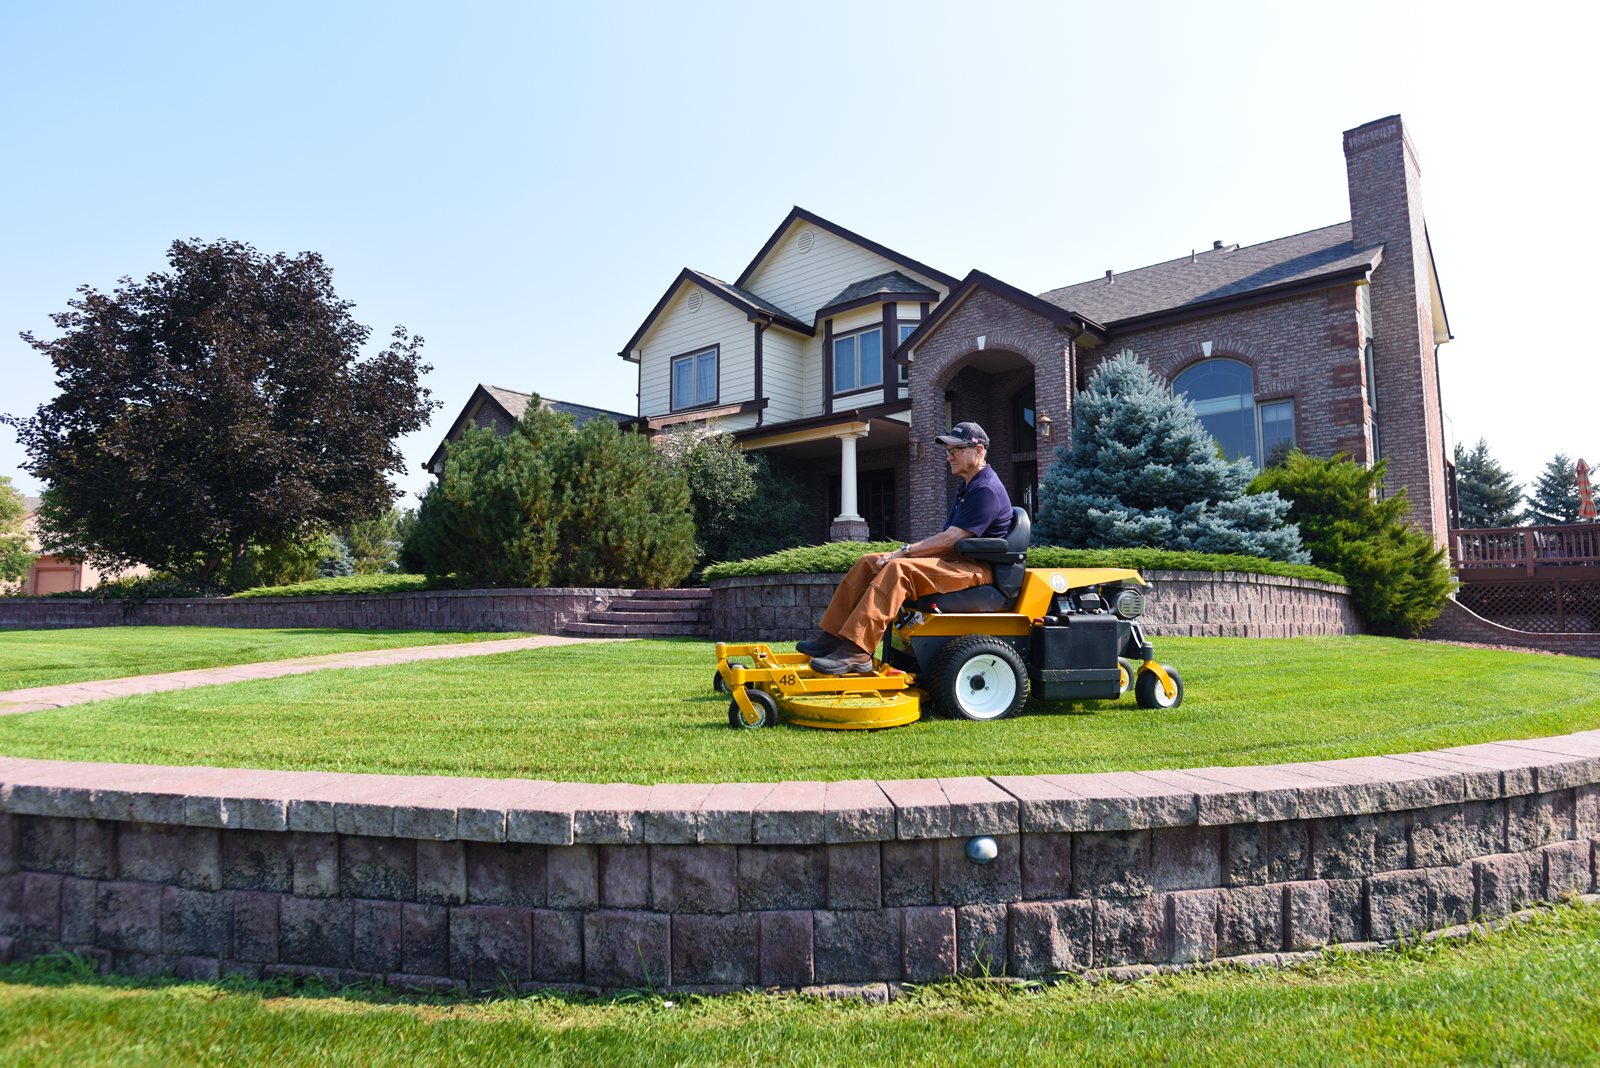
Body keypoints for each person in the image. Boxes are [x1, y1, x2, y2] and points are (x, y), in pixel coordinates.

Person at [804, 421, 1014, 676]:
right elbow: (949, 540)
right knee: (869, 561)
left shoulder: (986, 489)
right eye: (948, 451)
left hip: (975, 569)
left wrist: (903, 552)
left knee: (898, 569)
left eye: (956, 450)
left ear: (979, 451)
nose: (949, 456)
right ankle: (834, 636)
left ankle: (857, 652)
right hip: (955, 561)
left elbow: (951, 539)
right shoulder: (969, 487)